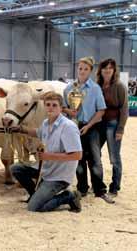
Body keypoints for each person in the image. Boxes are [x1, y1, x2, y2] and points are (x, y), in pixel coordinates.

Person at [7, 92, 83, 213]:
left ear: (61, 108)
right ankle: (35, 195)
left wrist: (49, 156)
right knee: (16, 169)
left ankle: (69, 196)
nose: (50, 107)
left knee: (34, 207)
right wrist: (20, 129)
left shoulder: (68, 127)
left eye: (54, 105)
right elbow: (38, 132)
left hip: (58, 176)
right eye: (48, 105)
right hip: (45, 170)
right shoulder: (46, 123)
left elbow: (77, 155)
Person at [63, 56, 114, 204]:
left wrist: (88, 125)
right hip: (73, 127)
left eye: (86, 69)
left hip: (91, 127)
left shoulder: (95, 88)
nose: (82, 71)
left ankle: (100, 190)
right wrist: (68, 111)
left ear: (90, 71)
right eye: (80, 68)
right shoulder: (69, 88)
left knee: (95, 159)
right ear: (77, 69)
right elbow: (63, 107)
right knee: (78, 158)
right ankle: (82, 188)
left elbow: (101, 110)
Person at [96, 58, 128, 196]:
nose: (107, 70)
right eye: (105, 68)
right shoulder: (97, 85)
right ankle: (98, 184)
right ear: (101, 70)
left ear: (114, 70)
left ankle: (115, 187)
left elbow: (124, 109)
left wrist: (120, 129)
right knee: (94, 154)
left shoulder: (119, 86)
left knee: (114, 157)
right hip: (99, 124)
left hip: (113, 124)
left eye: (110, 68)